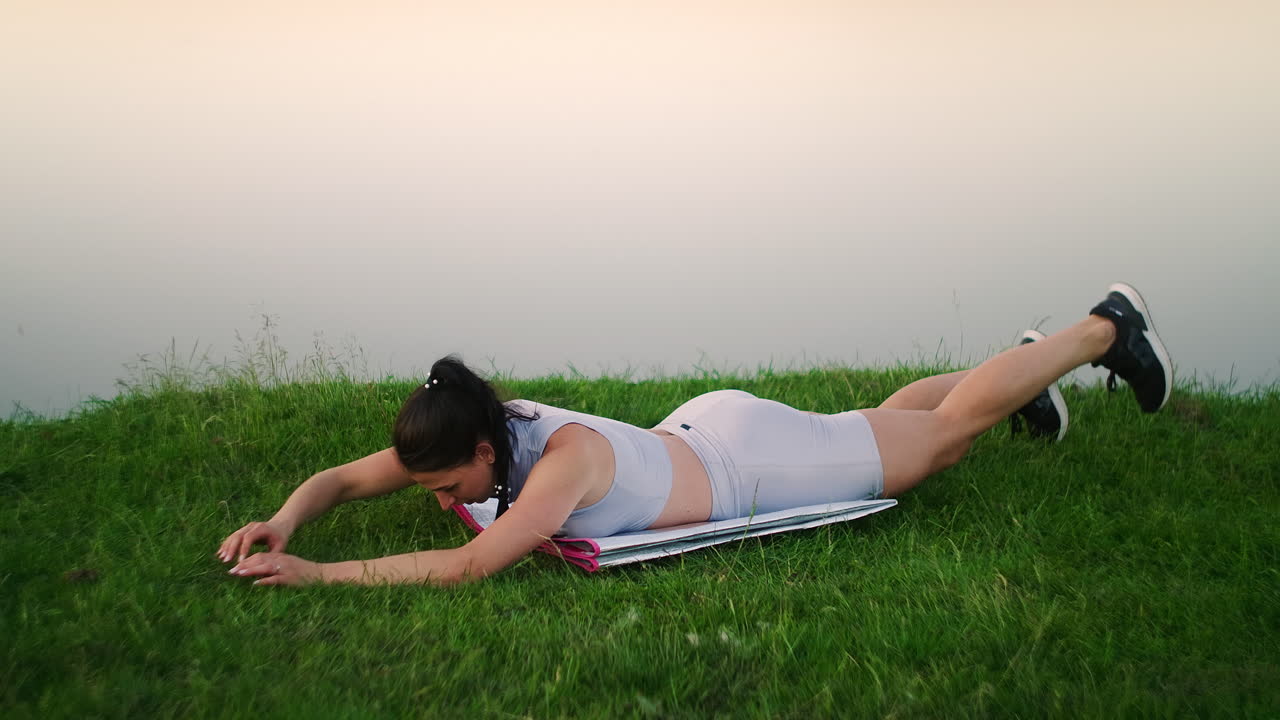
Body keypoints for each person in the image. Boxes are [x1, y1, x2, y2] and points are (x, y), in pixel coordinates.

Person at [216, 282, 1172, 587]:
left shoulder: (559, 465)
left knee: (943, 443)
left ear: (481, 454)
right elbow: (342, 479)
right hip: (706, 432)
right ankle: (1023, 376)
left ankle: (1105, 331)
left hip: (745, 464)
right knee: (876, 423)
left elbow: (469, 567)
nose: (438, 500)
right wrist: (285, 521)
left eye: (445, 489)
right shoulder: (468, 429)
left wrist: (319, 575)